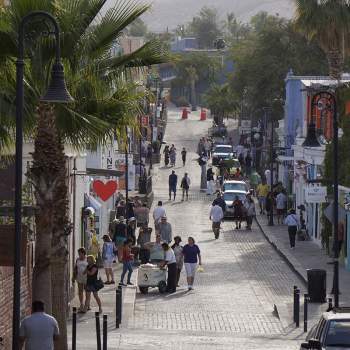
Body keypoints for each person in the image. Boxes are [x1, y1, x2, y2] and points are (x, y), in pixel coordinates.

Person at [73, 247, 88, 312]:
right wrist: (74, 277)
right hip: (79, 277)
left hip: (86, 278)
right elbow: (75, 268)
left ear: (83, 253)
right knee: (80, 291)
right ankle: (81, 304)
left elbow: (91, 267)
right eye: (78, 253)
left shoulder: (87, 259)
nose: (79, 255)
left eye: (80, 253)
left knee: (87, 291)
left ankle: (87, 305)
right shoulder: (77, 260)